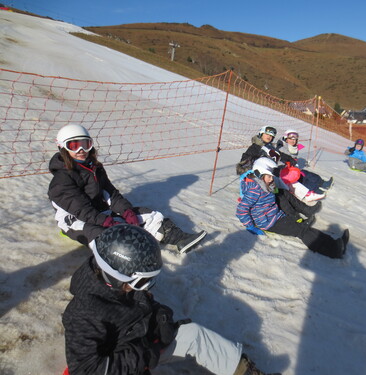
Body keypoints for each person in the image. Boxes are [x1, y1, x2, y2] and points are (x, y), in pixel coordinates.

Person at [62, 224, 276, 375]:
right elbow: (87, 370)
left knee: (194, 335)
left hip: (140, 347)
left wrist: (157, 316)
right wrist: (144, 353)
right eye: (142, 282)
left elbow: (137, 309)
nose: (146, 288)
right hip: (122, 365)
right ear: (117, 276)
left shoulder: (122, 286)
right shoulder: (83, 313)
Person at [48, 124, 206, 253]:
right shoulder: (61, 181)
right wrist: (108, 223)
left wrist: (127, 211)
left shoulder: (94, 168)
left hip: (99, 213)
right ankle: (133, 256)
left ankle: (179, 238)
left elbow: (111, 194)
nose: (81, 150)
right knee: (106, 236)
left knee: (147, 215)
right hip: (75, 220)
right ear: (63, 148)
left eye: (85, 144)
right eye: (74, 145)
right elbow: (82, 210)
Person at [236, 158, 349, 259]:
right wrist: (250, 226)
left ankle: (335, 243)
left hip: (276, 216)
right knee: (301, 231)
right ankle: (333, 250)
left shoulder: (265, 184)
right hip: (268, 222)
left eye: (271, 176)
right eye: (269, 176)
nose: (271, 179)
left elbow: (274, 196)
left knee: (302, 226)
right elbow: (241, 210)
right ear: (259, 174)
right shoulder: (254, 190)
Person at [237, 126, 325, 203]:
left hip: (269, 173)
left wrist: (290, 159)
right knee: (283, 178)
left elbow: (278, 155)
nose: (269, 137)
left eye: (271, 136)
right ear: (261, 134)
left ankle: (301, 195)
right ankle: (306, 194)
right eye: (267, 134)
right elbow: (244, 161)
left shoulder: (268, 146)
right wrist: (251, 164)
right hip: (259, 176)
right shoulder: (256, 147)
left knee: (287, 177)